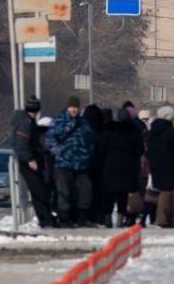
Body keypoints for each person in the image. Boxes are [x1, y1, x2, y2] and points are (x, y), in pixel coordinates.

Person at [45, 95, 96, 227]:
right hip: (64, 163)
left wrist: (88, 152)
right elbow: (50, 141)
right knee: (64, 192)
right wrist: (60, 151)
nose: (74, 110)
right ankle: (64, 218)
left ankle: (82, 218)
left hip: (81, 162)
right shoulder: (59, 121)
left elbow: (90, 140)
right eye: (71, 107)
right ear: (68, 107)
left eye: (76, 107)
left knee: (85, 190)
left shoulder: (83, 123)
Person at [12, 95, 57, 228]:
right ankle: (45, 219)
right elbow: (21, 144)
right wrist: (30, 159)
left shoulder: (26, 121)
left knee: (40, 190)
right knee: (39, 191)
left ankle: (46, 218)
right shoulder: (26, 123)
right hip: (29, 162)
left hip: (30, 159)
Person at [98, 107, 145, 227]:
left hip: (110, 167)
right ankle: (119, 221)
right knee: (122, 196)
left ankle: (108, 219)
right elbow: (140, 150)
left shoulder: (108, 132)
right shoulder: (134, 132)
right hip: (127, 168)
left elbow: (101, 151)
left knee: (108, 194)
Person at [145, 105, 174, 228]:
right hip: (169, 166)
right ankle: (163, 220)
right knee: (167, 192)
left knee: (166, 191)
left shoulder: (154, 130)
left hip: (156, 165)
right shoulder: (168, 130)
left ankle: (167, 219)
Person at [83, 105, 108, 225]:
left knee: (86, 191)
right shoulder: (103, 133)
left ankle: (87, 216)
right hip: (100, 167)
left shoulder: (83, 132)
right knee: (99, 192)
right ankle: (99, 216)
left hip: (85, 166)